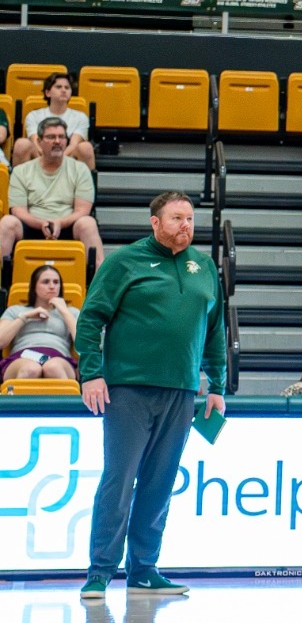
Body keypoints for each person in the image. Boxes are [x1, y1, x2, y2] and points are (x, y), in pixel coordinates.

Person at [76, 191, 225, 601]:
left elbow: (215, 329)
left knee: (159, 484)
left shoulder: (205, 265)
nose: (186, 226)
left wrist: (218, 385)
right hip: (127, 389)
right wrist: (91, 374)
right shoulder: (124, 262)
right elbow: (90, 319)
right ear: (155, 222)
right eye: (177, 218)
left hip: (180, 391)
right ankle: (100, 571)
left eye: (190, 218)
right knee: (119, 480)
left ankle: (143, 569)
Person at [1, 118, 103, 266]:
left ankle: (102, 285)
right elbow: (18, 211)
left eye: (61, 137)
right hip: (32, 225)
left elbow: (83, 210)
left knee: (88, 223)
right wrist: (41, 223)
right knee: (7, 222)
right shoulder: (21, 171)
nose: (57, 141)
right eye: (51, 137)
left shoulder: (80, 170)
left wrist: (60, 223)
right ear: (40, 142)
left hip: (67, 225)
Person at [1, 263, 78, 381]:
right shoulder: (16, 310)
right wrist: (24, 318)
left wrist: (65, 312)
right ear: (34, 287)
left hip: (59, 358)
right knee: (31, 369)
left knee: (53, 368)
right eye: (46, 282)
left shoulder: (71, 312)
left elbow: (83, 344)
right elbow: (1, 341)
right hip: (21, 358)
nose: (52, 286)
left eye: (56, 282)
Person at [17, 71, 94, 169]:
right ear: (48, 93)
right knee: (21, 144)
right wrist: (48, 160)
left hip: (67, 160)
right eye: (58, 87)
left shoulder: (80, 117)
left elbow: (73, 145)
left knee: (85, 147)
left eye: (67, 88)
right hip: (40, 159)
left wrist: (57, 160)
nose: (63, 90)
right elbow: (36, 143)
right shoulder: (33, 115)